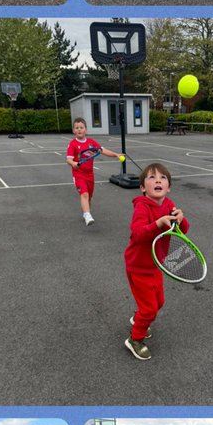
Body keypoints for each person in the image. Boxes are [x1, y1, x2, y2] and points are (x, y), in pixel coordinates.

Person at [124, 162, 188, 360]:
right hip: (138, 266)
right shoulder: (142, 207)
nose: (158, 180)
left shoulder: (169, 205)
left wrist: (182, 219)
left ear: (168, 187)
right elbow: (137, 234)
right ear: (143, 187)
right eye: (151, 177)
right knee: (150, 309)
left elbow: (182, 231)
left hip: (156, 265)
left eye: (163, 178)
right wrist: (157, 223)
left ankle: (138, 319)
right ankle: (135, 339)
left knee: (159, 302)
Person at [66, 117, 122, 227]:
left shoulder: (91, 143)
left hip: (90, 174)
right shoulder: (72, 144)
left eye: (81, 127)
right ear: (73, 130)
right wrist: (73, 164)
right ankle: (87, 215)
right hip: (78, 174)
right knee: (84, 194)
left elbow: (103, 150)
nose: (79, 130)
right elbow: (68, 159)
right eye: (77, 128)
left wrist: (116, 154)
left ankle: (86, 212)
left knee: (89, 197)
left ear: (85, 130)